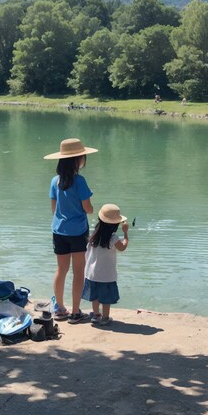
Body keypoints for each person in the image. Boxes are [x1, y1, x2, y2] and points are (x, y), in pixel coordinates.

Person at [45, 138, 97, 324]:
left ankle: (60, 309)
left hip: (59, 231)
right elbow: (88, 208)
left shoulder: (54, 181)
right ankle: (75, 312)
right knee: (78, 271)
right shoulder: (80, 181)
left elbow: (54, 208)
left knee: (61, 269)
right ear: (78, 160)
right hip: (77, 232)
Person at [82, 204, 129, 327]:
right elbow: (122, 248)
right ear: (115, 224)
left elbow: (87, 253)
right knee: (106, 298)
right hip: (106, 275)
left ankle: (96, 315)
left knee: (95, 296)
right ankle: (105, 317)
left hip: (91, 273)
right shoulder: (113, 238)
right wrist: (126, 234)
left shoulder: (94, 235)